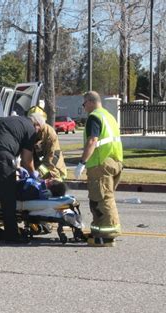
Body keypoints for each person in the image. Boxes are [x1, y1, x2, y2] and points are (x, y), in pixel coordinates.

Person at [0, 115, 39, 243]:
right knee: (8, 197)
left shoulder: (10, 120)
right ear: (36, 125)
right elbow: (27, 160)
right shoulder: (31, 129)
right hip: (0, 154)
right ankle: (12, 235)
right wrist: (33, 174)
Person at [75, 91, 123, 247]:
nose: (84, 107)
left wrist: (82, 162)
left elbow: (92, 141)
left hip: (100, 163)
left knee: (103, 199)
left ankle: (108, 236)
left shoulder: (94, 117)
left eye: (84, 104)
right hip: (115, 161)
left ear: (90, 102)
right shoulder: (109, 116)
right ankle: (98, 231)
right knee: (98, 199)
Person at [28, 112, 67, 180]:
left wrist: (39, 172)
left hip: (54, 169)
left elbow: (53, 156)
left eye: (32, 125)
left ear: (38, 124)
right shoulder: (36, 132)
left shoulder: (50, 134)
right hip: (42, 165)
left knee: (53, 186)